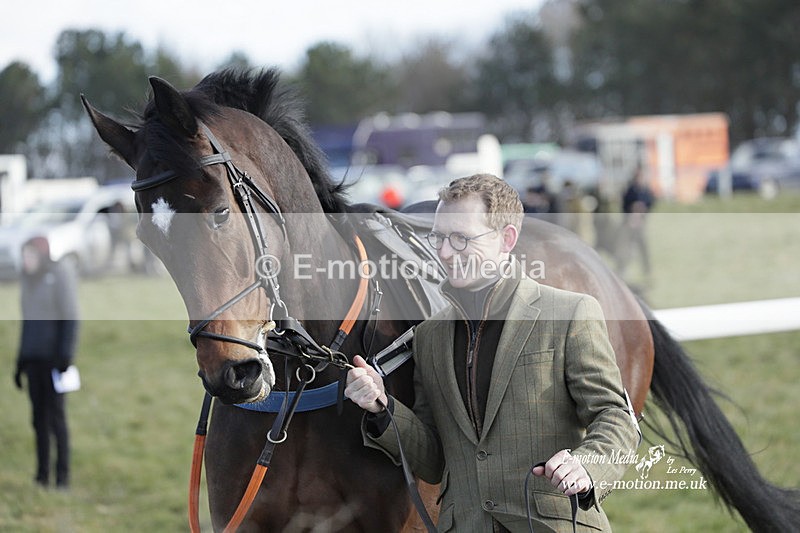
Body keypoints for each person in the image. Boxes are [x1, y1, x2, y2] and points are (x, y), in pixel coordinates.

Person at [346, 174, 639, 532]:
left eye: (461, 239)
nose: (444, 252)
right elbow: (435, 460)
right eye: (438, 238)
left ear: (507, 239)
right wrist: (382, 407)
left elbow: (615, 416)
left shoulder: (570, 313)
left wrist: (588, 464)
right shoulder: (429, 336)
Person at [13, 237, 79, 488]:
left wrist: (65, 356)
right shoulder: (27, 281)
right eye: (23, 255)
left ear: (41, 255)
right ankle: (42, 476)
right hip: (33, 362)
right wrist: (20, 362)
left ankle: (62, 478)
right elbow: (27, 324)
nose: (26, 261)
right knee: (37, 420)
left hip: (54, 363)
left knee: (56, 420)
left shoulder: (58, 275)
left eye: (30, 255)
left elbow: (71, 317)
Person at [616, 168, 654, 283]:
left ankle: (647, 270)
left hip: (640, 225)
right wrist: (630, 215)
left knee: (643, 248)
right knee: (627, 248)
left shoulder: (646, 191)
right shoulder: (629, 191)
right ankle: (623, 269)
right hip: (629, 224)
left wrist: (642, 211)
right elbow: (624, 205)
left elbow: (650, 202)